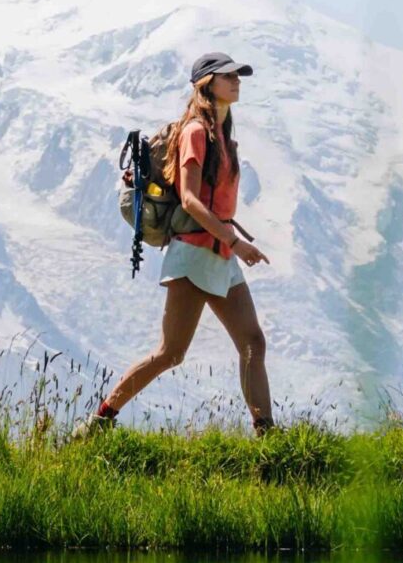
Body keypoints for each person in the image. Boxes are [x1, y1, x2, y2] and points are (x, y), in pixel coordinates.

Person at [88, 53, 274, 435]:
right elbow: (189, 199)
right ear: (206, 84)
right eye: (228, 76)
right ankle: (99, 420)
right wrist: (235, 243)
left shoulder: (223, 135)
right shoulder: (195, 132)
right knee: (171, 353)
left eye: (238, 75)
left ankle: (267, 434)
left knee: (253, 342)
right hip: (193, 253)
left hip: (218, 252)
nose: (237, 80)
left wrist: (228, 245)